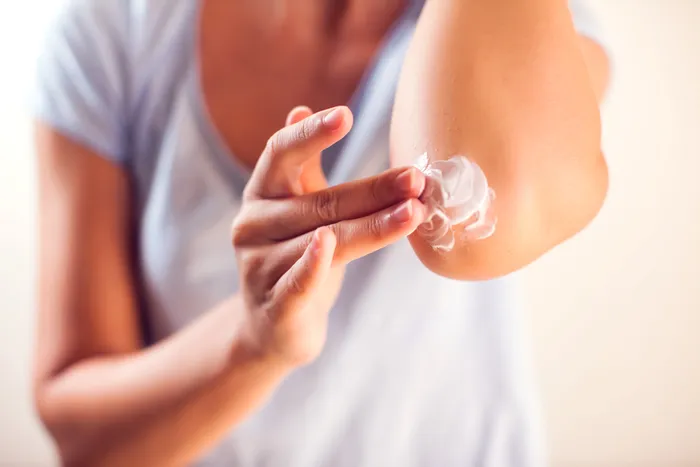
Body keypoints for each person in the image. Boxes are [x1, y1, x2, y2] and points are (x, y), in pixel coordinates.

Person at [31, 0, 610, 465]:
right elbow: (84, 442)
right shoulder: (110, 34)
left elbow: (483, 227)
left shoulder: (534, 24)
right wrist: (254, 344)